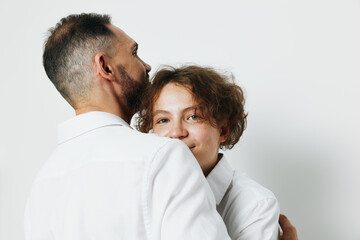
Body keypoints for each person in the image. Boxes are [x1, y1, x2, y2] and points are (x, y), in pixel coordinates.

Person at [24, 13, 231, 239]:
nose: (146, 65)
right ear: (105, 66)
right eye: (134, 53)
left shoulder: (41, 185)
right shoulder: (165, 156)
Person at [137, 65, 278, 239]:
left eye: (193, 117)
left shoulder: (256, 205)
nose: (176, 132)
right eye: (163, 120)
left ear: (223, 130)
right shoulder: (144, 194)